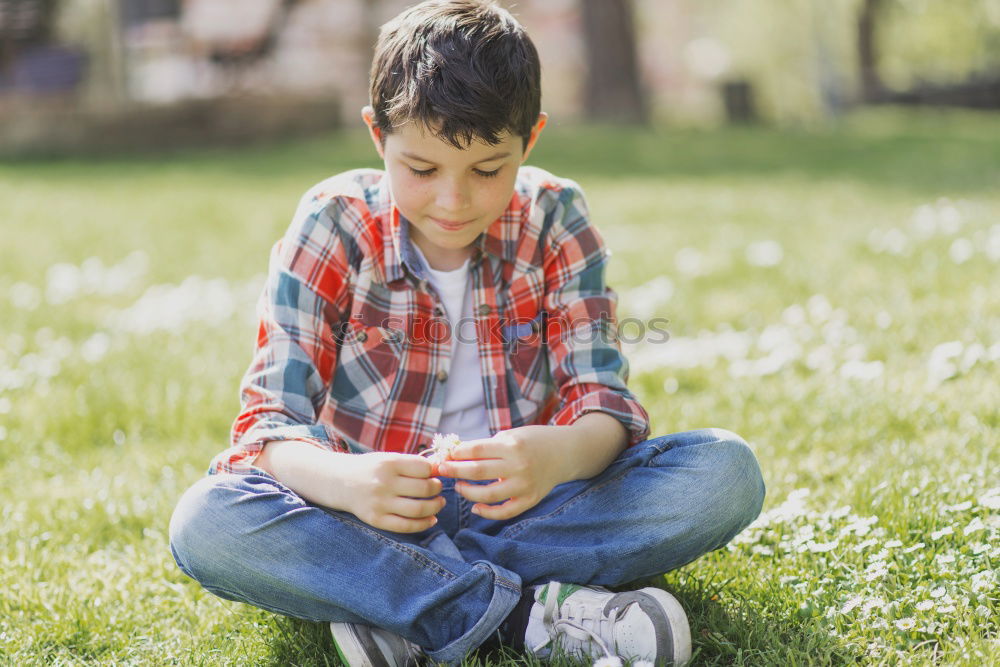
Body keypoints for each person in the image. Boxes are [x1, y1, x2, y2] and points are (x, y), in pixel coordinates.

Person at [167, 1, 766, 665]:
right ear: (377, 136)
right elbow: (267, 429)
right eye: (421, 169)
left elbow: (604, 402)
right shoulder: (333, 223)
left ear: (529, 141)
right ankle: (523, 615)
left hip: (530, 506)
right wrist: (347, 482)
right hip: (364, 513)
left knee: (724, 472)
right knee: (207, 521)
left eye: (487, 170)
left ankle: (396, 602)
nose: (453, 202)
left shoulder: (554, 218)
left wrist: (554, 455)